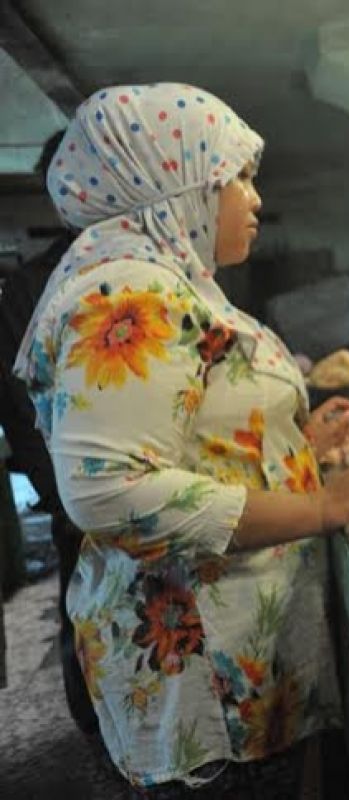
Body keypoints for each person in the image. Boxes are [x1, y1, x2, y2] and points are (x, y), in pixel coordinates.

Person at [14, 83, 349, 795]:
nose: (254, 199)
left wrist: (294, 446)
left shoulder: (171, 280)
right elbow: (113, 492)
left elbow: (189, 434)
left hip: (240, 671)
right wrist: (321, 507)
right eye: (235, 176)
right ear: (171, 182)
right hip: (203, 693)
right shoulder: (126, 293)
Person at [0, 130, 100, 734]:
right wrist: (62, 496)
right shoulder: (31, 287)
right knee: (82, 602)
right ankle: (88, 725)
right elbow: (17, 403)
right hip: (75, 486)